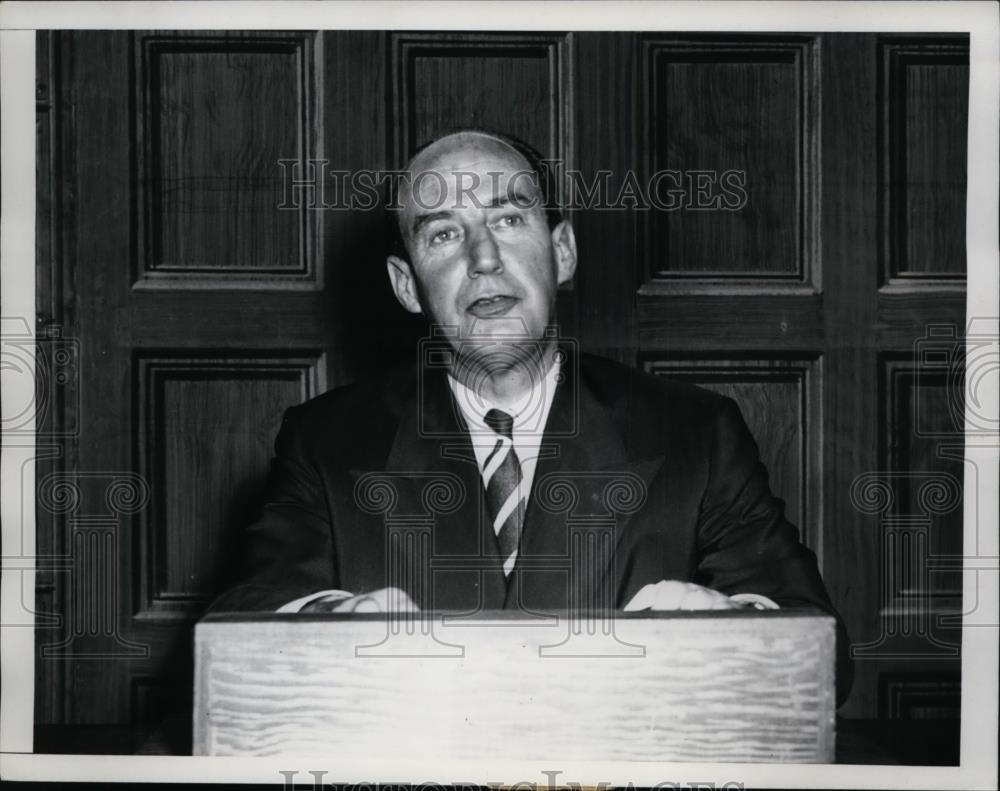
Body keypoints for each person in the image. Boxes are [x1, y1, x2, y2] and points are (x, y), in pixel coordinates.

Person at [209, 128, 851, 701]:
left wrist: (730, 625)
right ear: (407, 285)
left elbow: (822, 653)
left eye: (509, 219)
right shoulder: (327, 442)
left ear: (562, 251)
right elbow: (240, 629)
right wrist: (329, 622)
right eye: (444, 233)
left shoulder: (696, 432)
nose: (483, 259)